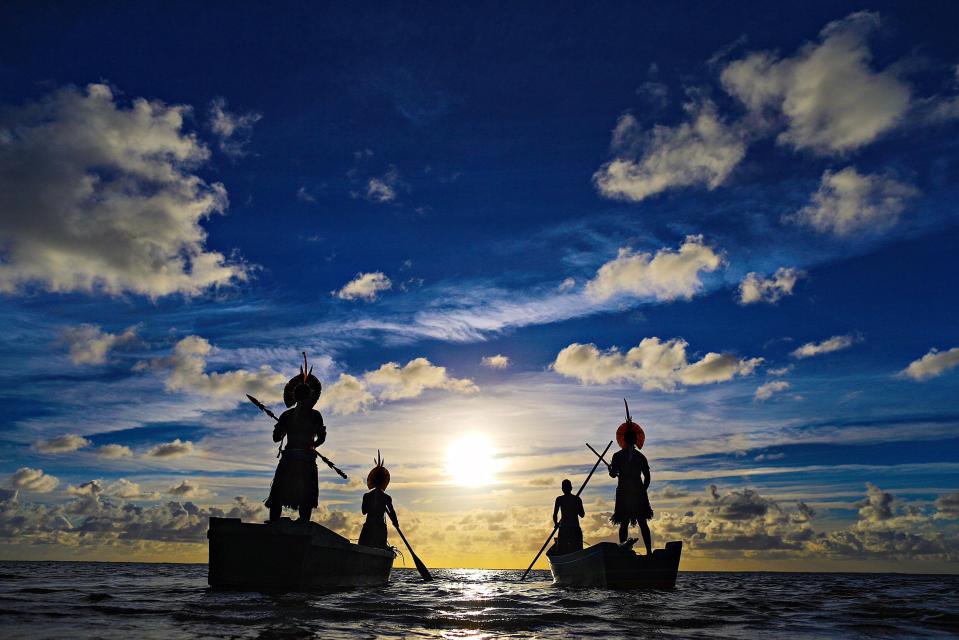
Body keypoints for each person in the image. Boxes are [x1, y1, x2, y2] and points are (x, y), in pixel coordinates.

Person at [266, 358, 325, 523]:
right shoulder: (313, 415)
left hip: (291, 458)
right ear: (310, 396)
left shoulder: (288, 415)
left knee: (281, 494)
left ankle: (274, 524)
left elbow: (276, 437)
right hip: (303, 459)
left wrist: (280, 429)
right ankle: (301, 524)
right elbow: (321, 438)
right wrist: (313, 445)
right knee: (304, 496)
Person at [608, 427, 653, 554]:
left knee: (637, 522)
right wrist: (612, 469)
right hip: (627, 493)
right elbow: (647, 478)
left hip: (633, 493)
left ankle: (647, 551)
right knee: (628, 522)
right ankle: (628, 551)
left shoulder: (634, 457)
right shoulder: (621, 456)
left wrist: (642, 491)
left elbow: (647, 477)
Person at [358, 451, 398, 549]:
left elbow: (364, 511)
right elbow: (392, 514)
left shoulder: (366, 496)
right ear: (384, 481)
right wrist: (396, 523)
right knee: (380, 548)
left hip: (368, 527)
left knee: (363, 547)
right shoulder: (386, 498)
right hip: (379, 528)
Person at [552, 478, 585, 555]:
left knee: (562, 552)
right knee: (578, 552)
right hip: (574, 528)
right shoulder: (577, 499)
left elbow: (554, 515)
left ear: (562, 489)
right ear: (571, 488)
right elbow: (582, 515)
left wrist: (556, 524)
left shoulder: (559, 499)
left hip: (565, 529)